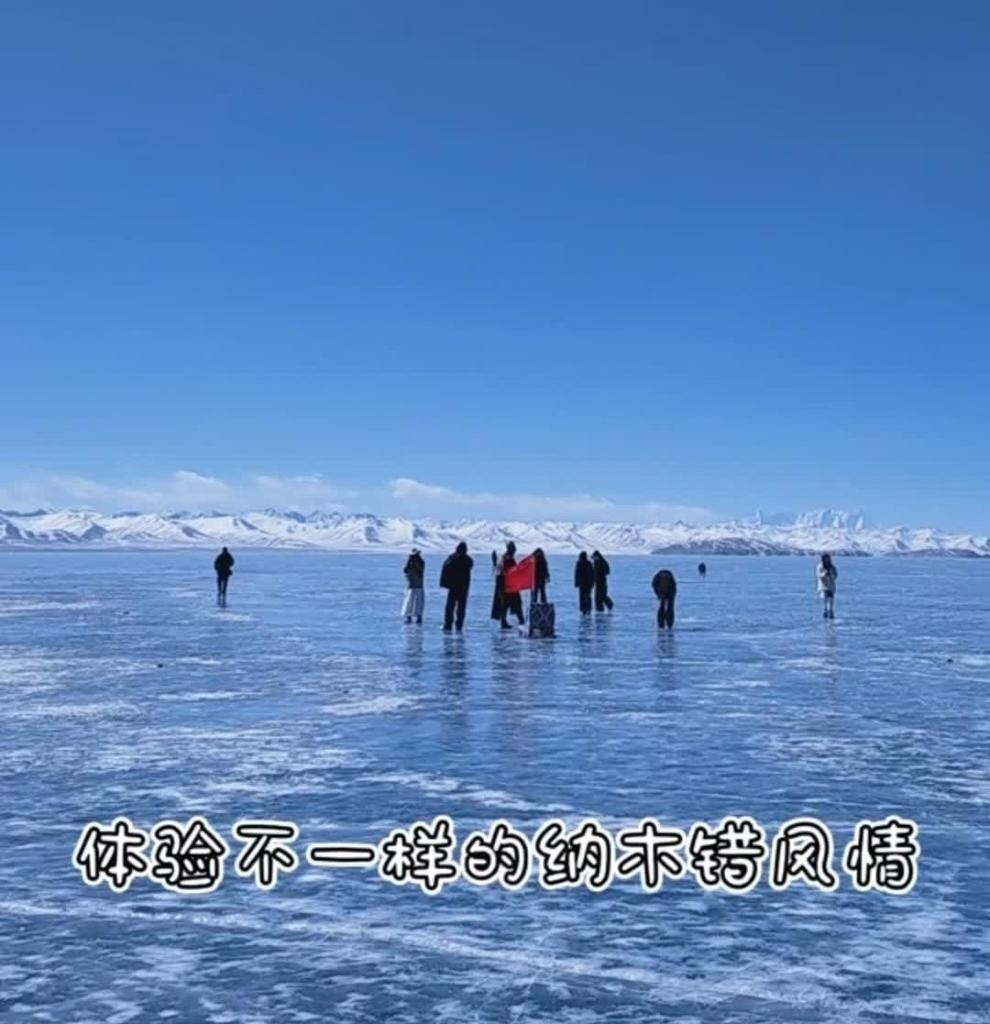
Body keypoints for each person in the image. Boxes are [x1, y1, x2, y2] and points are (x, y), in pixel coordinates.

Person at [440, 542, 473, 633]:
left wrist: (444, 582)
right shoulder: (468, 559)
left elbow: (445, 567)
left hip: (453, 586)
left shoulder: (452, 557)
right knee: (461, 607)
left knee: (450, 606)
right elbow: (471, 565)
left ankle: (448, 625)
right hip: (464, 587)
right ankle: (459, 625)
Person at [492, 541, 526, 629]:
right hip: (507, 585)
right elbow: (508, 571)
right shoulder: (507, 558)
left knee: (509, 603)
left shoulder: (506, 557)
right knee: (511, 603)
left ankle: (513, 621)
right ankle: (520, 621)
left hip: (507, 584)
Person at [401, 548, 425, 624]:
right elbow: (405, 570)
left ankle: (415, 616)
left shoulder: (418, 561)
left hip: (415, 585)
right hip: (415, 584)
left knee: (413, 601)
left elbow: (406, 570)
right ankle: (413, 616)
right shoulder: (415, 561)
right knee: (413, 601)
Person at [817, 553, 838, 619]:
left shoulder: (832, 567)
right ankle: (825, 611)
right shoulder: (820, 566)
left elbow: (836, 576)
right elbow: (818, 575)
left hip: (831, 586)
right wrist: (824, 574)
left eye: (828, 559)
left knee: (831, 600)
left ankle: (831, 611)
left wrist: (831, 574)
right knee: (825, 599)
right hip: (823, 586)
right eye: (825, 559)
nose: (827, 560)